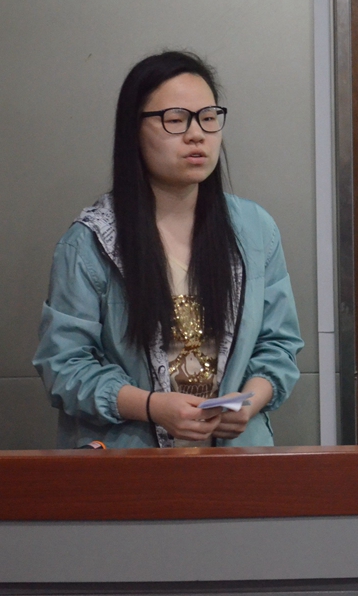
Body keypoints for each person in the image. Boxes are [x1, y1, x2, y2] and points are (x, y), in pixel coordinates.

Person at [33, 51, 303, 447]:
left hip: (235, 461)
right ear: (134, 131)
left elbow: (279, 344)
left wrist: (249, 402)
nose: (197, 134)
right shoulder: (91, 241)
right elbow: (64, 365)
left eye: (208, 117)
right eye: (175, 120)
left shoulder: (254, 230)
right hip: (132, 463)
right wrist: (151, 406)